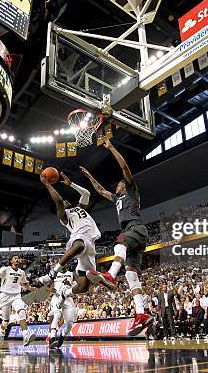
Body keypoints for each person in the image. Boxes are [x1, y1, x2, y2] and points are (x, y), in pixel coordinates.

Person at [81, 139, 152, 336]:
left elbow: (124, 167)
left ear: (124, 185)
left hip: (135, 228)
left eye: (119, 184)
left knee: (119, 243)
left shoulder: (130, 188)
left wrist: (111, 147)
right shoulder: (117, 198)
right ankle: (141, 314)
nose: (117, 185)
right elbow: (100, 191)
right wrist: (89, 176)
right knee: (131, 275)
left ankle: (111, 274)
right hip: (136, 235)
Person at [38, 171, 100, 298]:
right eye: (63, 204)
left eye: (67, 201)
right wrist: (47, 184)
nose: (65, 201)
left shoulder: (79, 208)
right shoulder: (63, 216)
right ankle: (52, 273)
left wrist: (71, 184)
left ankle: (65, 293)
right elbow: (59, 201)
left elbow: (86, 193)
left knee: (83, 287)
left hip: (91, 245)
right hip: (79, 237)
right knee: (78, 246)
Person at [0, 255, 37, 346]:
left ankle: (25, 335)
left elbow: (24, 284)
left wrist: (30, 288)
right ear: (11, 261)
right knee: (5, 321)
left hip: (16, 296)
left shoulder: (22, 272)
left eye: (18, 258)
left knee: (22, 311)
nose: (17, 259)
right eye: (15, 258)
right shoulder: (5, 269)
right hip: (5, 296)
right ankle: (1, 333)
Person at [46, 265, 78, 349]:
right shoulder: (54, 274)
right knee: (57, 315)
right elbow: (47, 285)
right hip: (57, 297)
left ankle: (62, 336)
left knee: (69, 323)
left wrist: (71, 286)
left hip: (68, 298)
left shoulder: (71, 274)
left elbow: (77, 287)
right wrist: (50, 290)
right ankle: (52, 338)